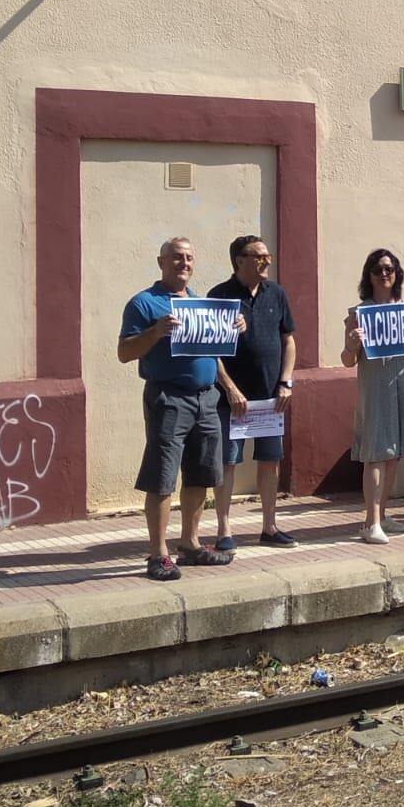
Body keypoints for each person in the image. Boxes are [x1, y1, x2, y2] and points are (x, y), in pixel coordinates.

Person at [119, 237, 245, 580]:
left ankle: (190, 544)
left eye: (189, 257)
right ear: (161, 262)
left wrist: (233, 331)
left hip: (206, 398)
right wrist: (156, 332)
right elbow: (125, 352)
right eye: (176, 257)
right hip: (168, 398)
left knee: (201, 474)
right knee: (162, 478)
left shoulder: (200, 304)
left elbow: (213, 354)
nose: (184, 263)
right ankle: (158, 554)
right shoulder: (143, 303)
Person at [341, 248, 404, 544]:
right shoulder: (359, 313)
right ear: (368, 276)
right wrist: (352, 343)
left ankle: (382, 514)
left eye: (389, 269)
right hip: (376, 389)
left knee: (396, 453)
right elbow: (348, 360)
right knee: (376, 453)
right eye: (378, 269)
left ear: (397, 274)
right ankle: (370, 522)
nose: (384, 274)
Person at [208, 235, 296, 551]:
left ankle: (269, 527)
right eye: (259, 256)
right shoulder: (219, 296)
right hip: (231, 401)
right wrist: (230, 388)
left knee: (270, 461)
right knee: (227, 463)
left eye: (267, 255)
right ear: (239, 260)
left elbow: (288, 340)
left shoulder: (277, 293)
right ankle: (224, 531)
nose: (267, 261)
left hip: (270, 398)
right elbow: (210, 352)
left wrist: (286, 382)